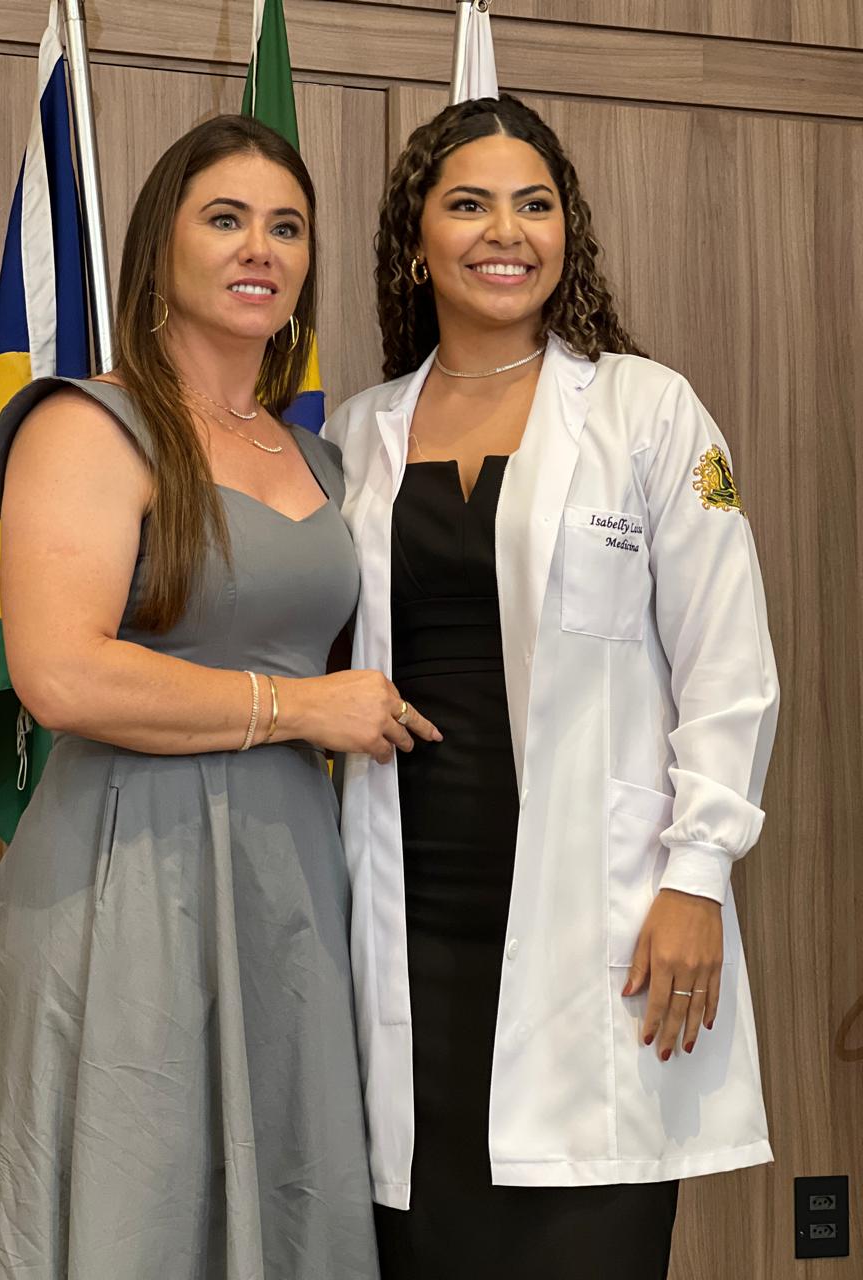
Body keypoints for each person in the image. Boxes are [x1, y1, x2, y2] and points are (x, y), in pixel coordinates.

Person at [0, 113, 438, 1280]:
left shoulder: (320, 457)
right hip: (129, 869)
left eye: (287, 226)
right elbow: (61, 673)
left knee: (285, 1193)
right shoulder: (87, 421)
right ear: (159, 247)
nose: (260, 248)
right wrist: (303, 708)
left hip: (292, 876)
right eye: (226, 219)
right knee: (141, 1194)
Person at [323, 94, 779, 1280]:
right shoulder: (357, 435)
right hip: (407, 913)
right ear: (415, 241)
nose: (505, 231)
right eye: (468, 203)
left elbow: (729, 664)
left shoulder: (646, 409)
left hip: (605, 911)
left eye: (534, 204)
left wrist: (698, 875)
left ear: (567, 231)